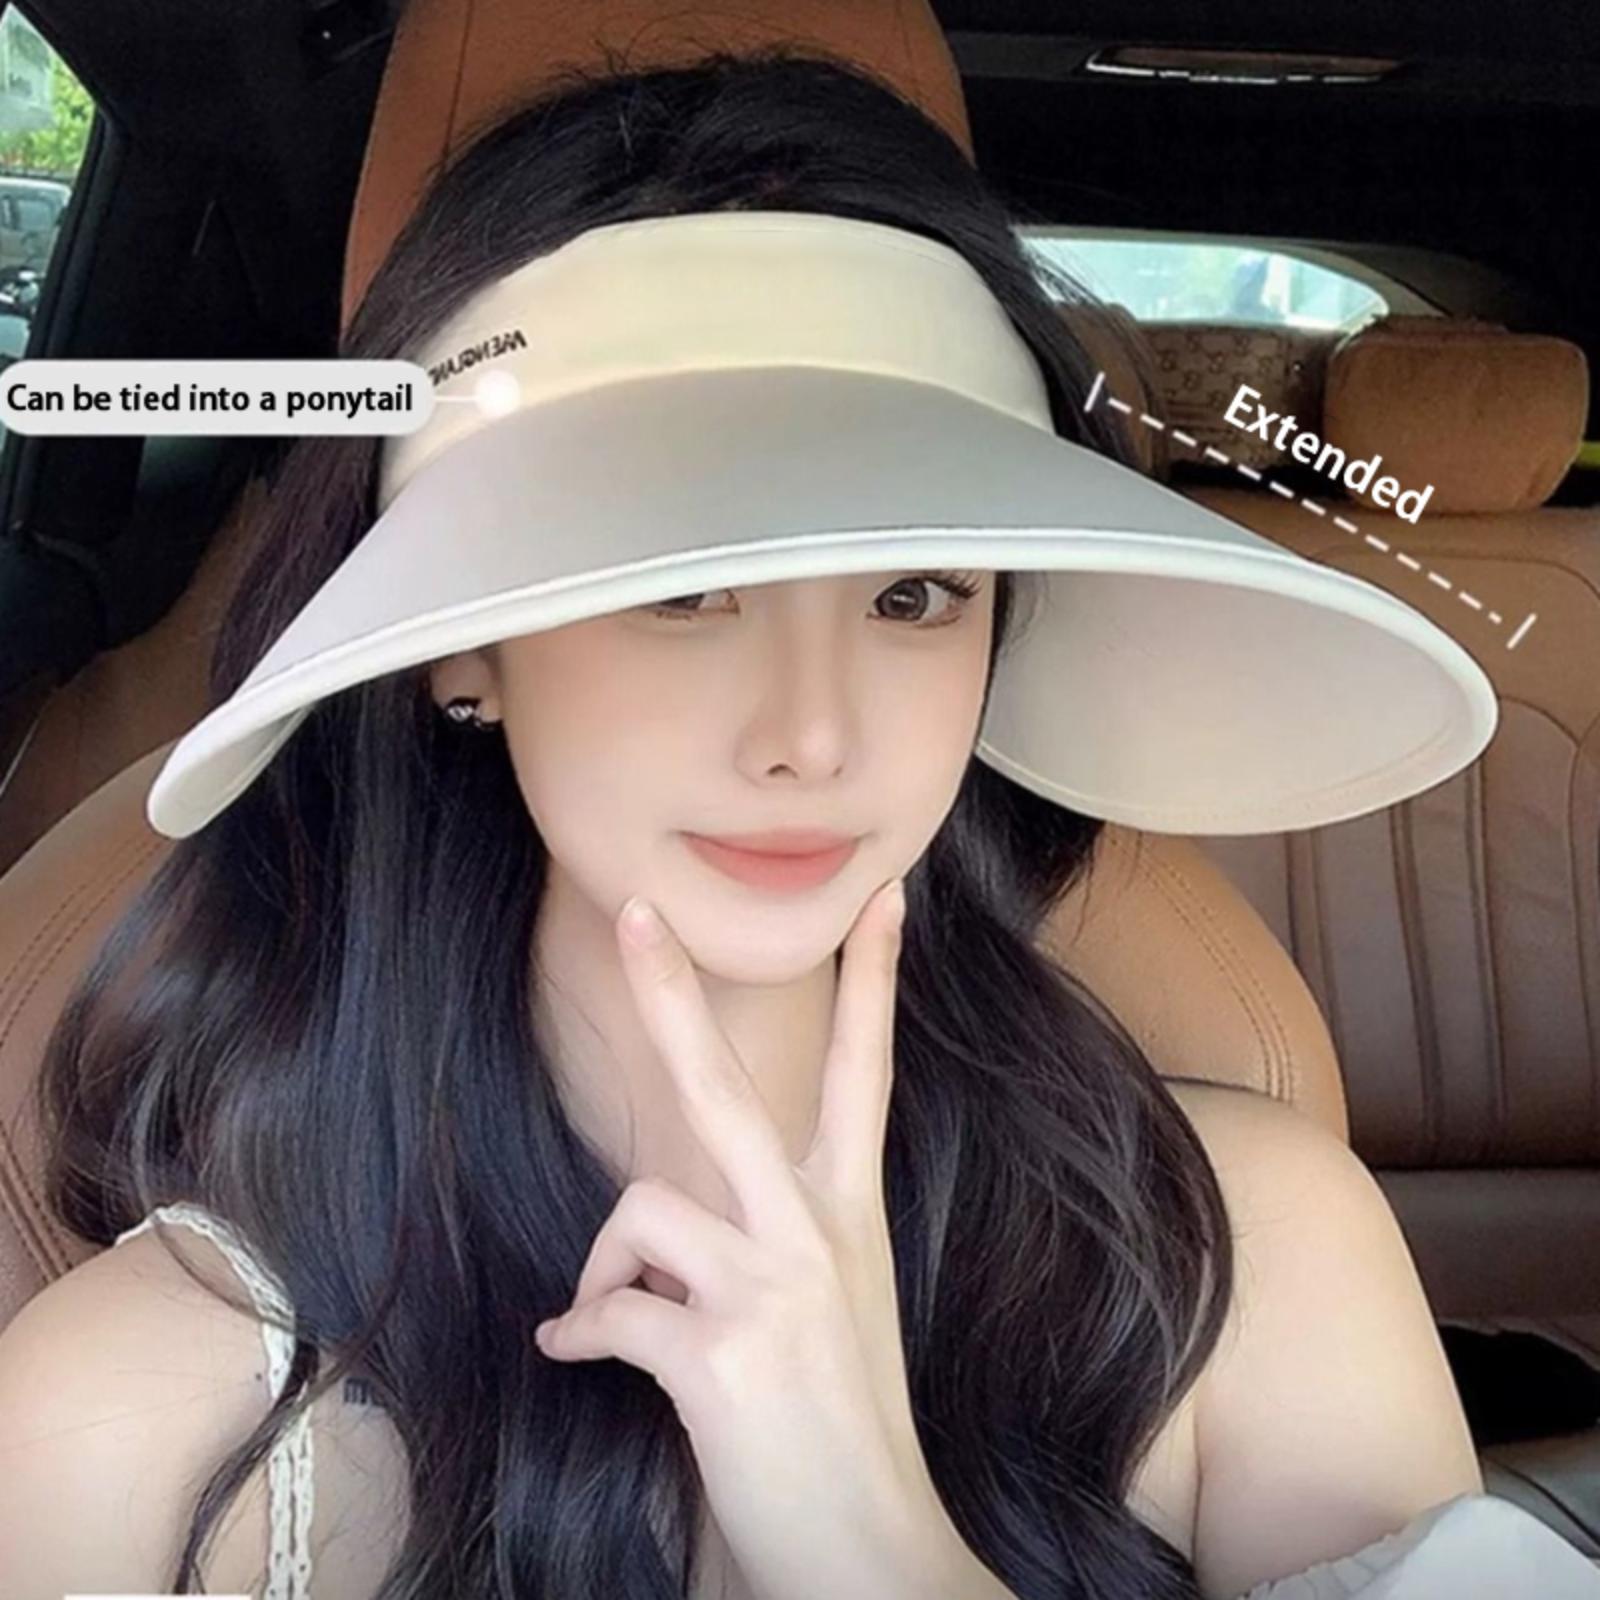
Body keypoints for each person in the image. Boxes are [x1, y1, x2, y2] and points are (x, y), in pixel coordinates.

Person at [1, 8, 1594, 1600]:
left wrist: (875, 1543)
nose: (814, 736)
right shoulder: (126, 1428)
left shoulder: (1257, 1260)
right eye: (684, 588)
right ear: (458, 649)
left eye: (914, 593)